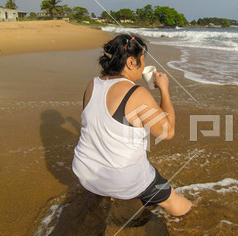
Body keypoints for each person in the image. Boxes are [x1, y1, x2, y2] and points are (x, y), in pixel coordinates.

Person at [72, 34, 192, 216]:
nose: (143, 66)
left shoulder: (92, 85)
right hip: (121, 180)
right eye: (142, 60)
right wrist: (165, 90)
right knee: (176, 201)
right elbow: (167, 132)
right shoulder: (136, 93)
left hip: (84, 173)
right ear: (130, 62)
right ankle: (192, 212)